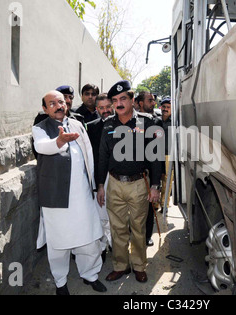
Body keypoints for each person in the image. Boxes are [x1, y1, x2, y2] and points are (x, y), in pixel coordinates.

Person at [32, 90, 107, 295]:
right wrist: (59, 141)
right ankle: (60, 282)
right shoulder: (39, 128)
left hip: (82, 195)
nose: (58, 105)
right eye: (52, 103)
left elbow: (88, 153)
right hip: (56, 198)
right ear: (45, 108)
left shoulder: (76, 124)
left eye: (61, 102)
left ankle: (90, 275)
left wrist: (94, 184)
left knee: (88, 239)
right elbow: (42, 147)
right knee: (59, 244)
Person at [97, 80, 162, 283]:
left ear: (133, 100)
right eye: (115, 100)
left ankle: (139, 266)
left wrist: (155, 186)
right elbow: (102, 157)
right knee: (117, 229)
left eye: (123, 98)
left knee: (138, 229)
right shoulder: (108, 125)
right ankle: (120, 266)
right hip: (115, 184)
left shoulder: (146, 123)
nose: (119, 104)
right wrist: (100, 185)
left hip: (138, 184)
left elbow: (156, 158)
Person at [86, 93, 114, 262]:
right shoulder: (90, 127)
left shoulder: (124, 124)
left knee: (118, 217)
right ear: (96, 109)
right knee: (101, 217)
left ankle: (118, 250)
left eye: (108, 107)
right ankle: (102, 248)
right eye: (101, 108)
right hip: (100, 179)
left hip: (120, 178)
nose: (105, 111)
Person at [136, 91, 163, 246]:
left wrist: (157, 178)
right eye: (150, 100)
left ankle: (147, 236)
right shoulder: (134, 120)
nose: (153, 103)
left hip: (151, 169)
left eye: (153, 100)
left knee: (149, 205)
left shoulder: (156, 121)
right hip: (136, 170)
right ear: (140, 103)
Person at [32, 85, 85, 159]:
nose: (68, 100)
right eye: (65, 97)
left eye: (70, 97)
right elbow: (38, 145)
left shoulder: (78, 119)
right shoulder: (43, 118)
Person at [157, 97, 174, 213]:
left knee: (167, 181)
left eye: (168, 107)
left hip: (169, 155)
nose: (166, 109)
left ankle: (164, 205)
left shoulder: (175, 122)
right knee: (155, 179)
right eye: (164, 107)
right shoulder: (156, 120)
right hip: (155, 154)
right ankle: (154, 204)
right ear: (160, 107)